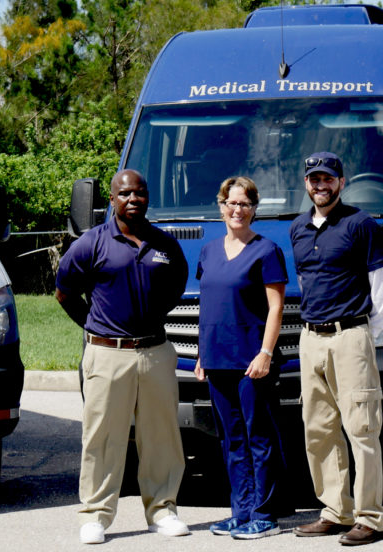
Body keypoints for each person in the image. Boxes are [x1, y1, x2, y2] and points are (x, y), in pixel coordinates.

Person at [55, 169, 190, 545]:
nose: (133, 199)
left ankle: (162, 510)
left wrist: (150, 315)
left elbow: (175, 288)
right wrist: (93, 326)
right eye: (124, 193)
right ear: (112, 200)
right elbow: (64, 293)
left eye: (139, 193)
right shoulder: (91, 243)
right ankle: (95, 514)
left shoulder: (165, 244)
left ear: (148, 197)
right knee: (102, 438)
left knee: (161, 436)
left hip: (156, 353)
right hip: (107, 354)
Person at [289, 152, 383, 546]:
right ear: (306, 183)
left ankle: (370, 518)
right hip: (310, 338)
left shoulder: (361, 224)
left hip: (350, 336)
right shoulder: (298, 227)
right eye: (314, 178)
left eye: (327, 178)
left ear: (341, 181)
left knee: (362, 429)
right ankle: (336, 511)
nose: (320, 185)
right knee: (318, 429)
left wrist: (361, 333)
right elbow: (306, 281)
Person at [194, 177, 291, 540]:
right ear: (221, 206)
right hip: (217, 359)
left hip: (252, 361)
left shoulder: (267, 251)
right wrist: (204, 352)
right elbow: (208, 304)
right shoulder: (208, 251)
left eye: (245, 204)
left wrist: (265, 353)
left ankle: (265, 514)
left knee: (259, 437)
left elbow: (276, 307)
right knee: (231, 439)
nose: (237, 210)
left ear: (254, 209)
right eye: (231, 203)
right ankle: (242, 510)